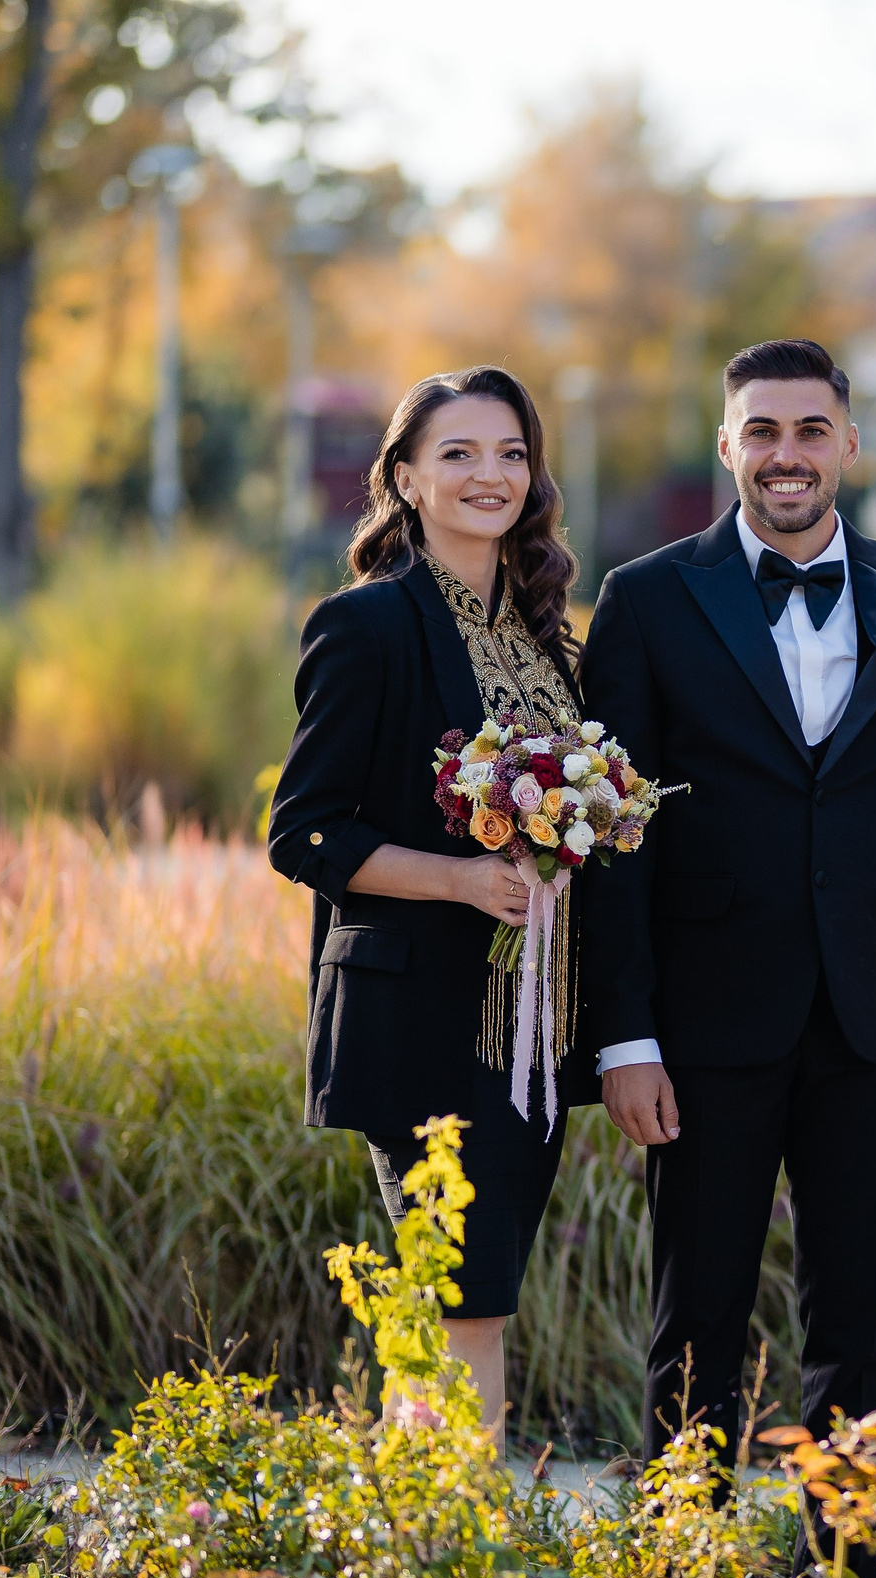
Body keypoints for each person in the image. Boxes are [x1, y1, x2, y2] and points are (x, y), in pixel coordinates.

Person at [577, 337, 876, 1578]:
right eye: (763, 431)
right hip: (701, 1022)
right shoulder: (646, 603)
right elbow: (613, 839)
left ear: (849, 443)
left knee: (854, 1323)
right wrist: (624, 1034)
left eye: (812, 429)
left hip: (868, 1013)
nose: (788, 454)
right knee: (694, 1313)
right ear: (728, 445)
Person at [267, 365, 598, 1441]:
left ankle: (421, 1552)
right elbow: (303, 832)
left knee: (461, 1300)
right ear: (405, 479)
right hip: (420, 1021)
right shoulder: (366, 626)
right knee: (466, 1305)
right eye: (456, 454)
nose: (487, 475)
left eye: (509, 453)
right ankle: (457, 1563)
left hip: (534, 1025)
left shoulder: (551, 635)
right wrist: (458, 877)